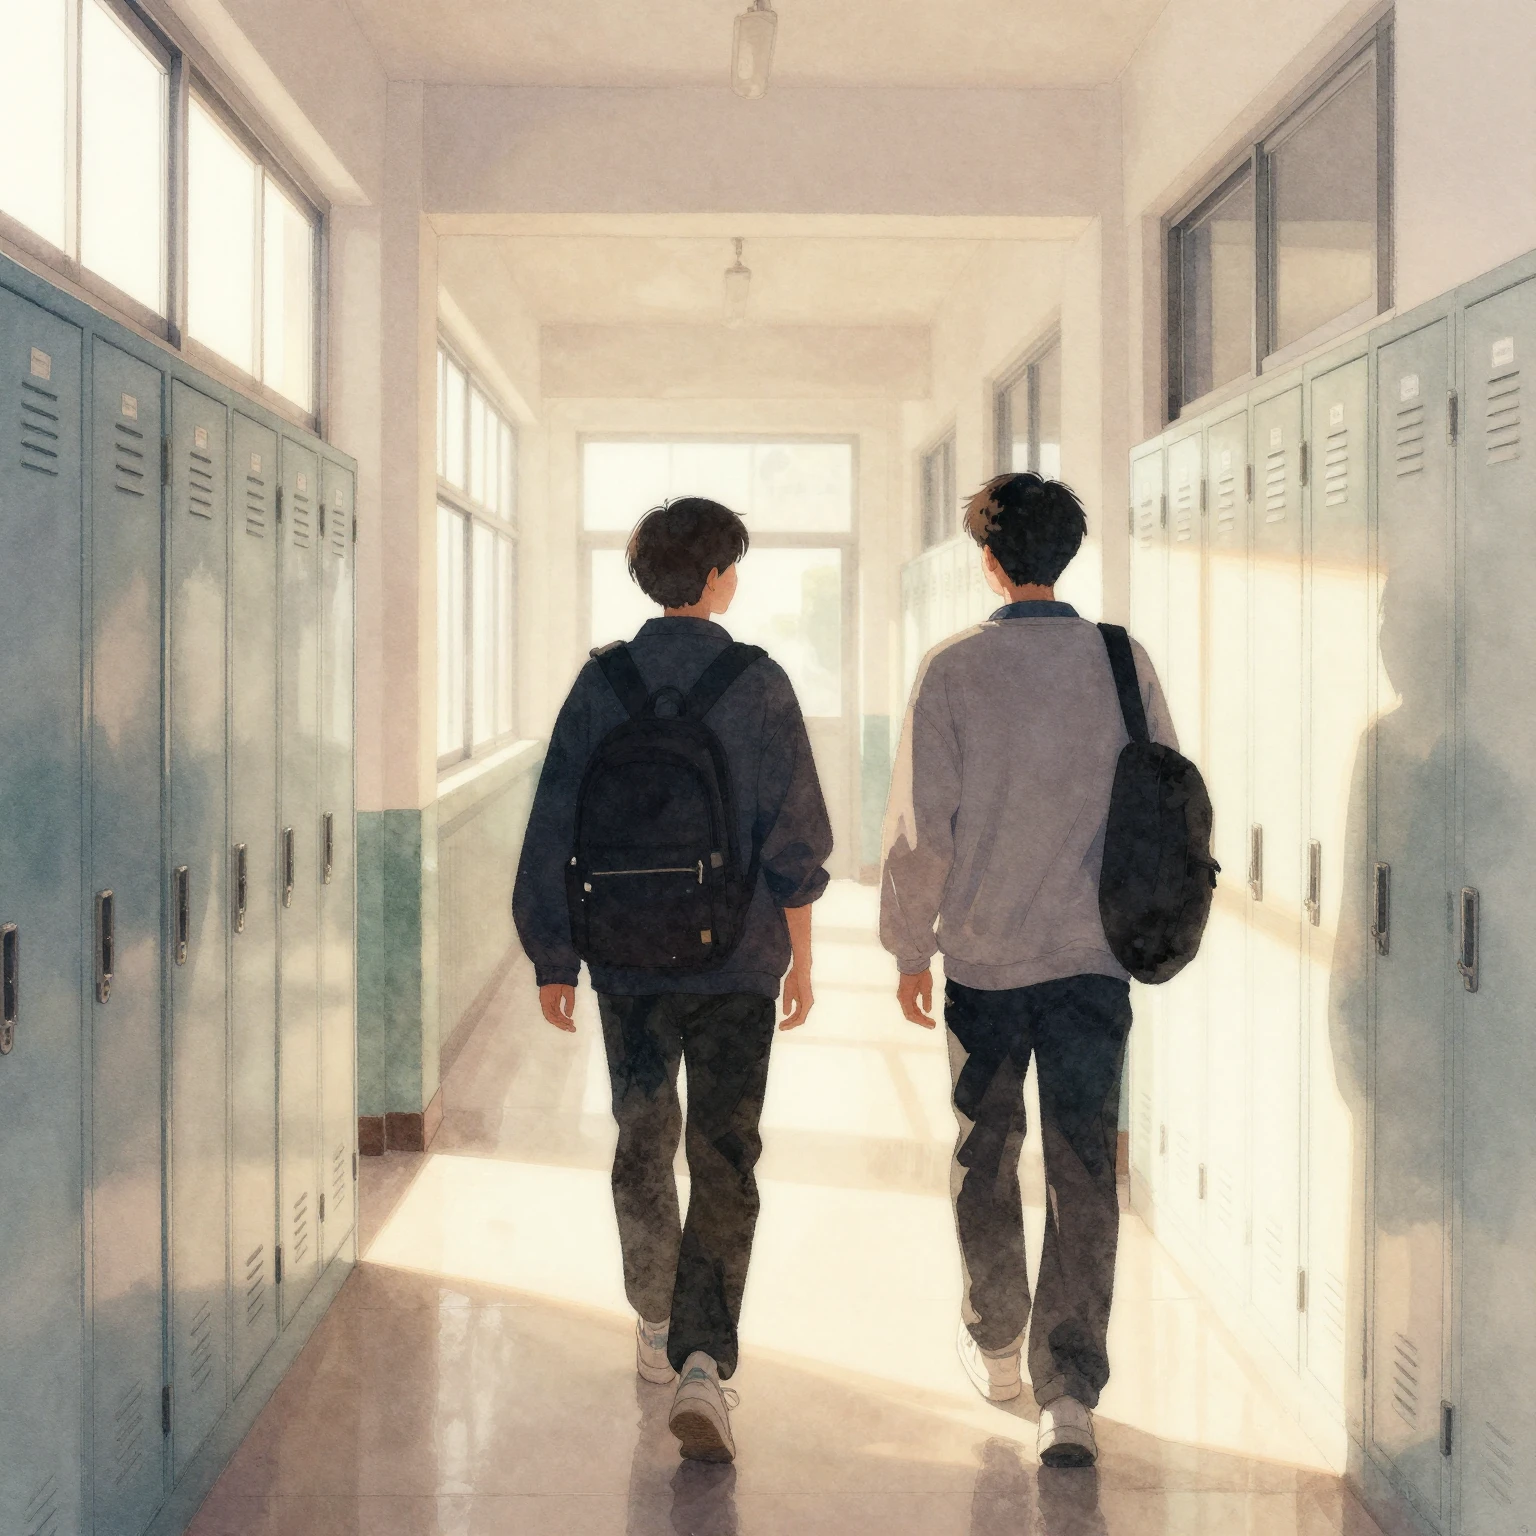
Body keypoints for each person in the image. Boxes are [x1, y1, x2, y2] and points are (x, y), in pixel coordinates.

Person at [513, 496, 833, 1464]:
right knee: (728, 1151)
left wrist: (554, 956)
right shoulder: (761, 683)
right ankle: (705, 1355)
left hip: (626, 960)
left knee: (643, 1135)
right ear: (722, 577)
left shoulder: (600, 684)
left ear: (648, 579)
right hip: (737, 963)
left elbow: (555, 819)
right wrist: (802, 958)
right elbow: (797, 841)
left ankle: (654, 1316)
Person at [878, 472, 1176, 1468]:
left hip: (987, 965)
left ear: (991, 561)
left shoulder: (953, 670)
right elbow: (1168, 801)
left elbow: (925, 830)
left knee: (984, 1154)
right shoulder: (1123, 663)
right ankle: (1070, 1395)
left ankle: (999, 1343)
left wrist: (909, 946)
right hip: (1096, 962)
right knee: (1088, 1167)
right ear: (1067, 554)